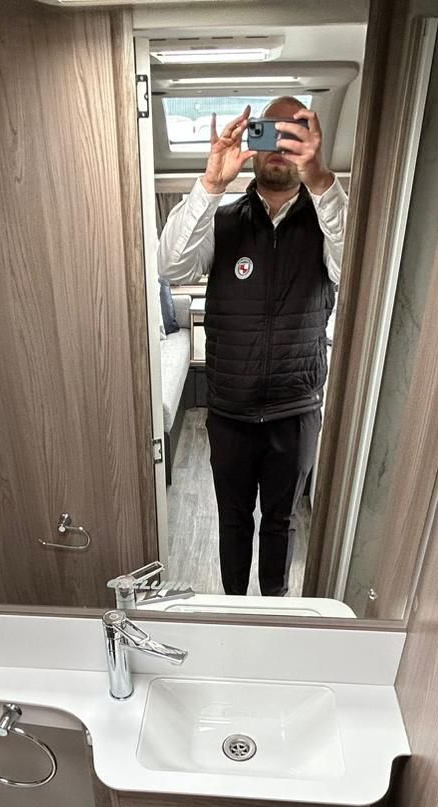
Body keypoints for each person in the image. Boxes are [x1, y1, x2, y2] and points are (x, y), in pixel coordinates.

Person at [158, 97, 347, 597]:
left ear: (313, 141)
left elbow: (356, 267)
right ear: (252, 141)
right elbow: (171, 266)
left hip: (295, 410)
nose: (280, 147)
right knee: (234, 520)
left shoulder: (327, 220)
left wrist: (321, 180)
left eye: (294, 133)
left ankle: (275, 611)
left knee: (281, 522)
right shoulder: (223, 220)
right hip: (230, 412)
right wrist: (210, 185)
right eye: (269, 133)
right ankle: (233, 610)